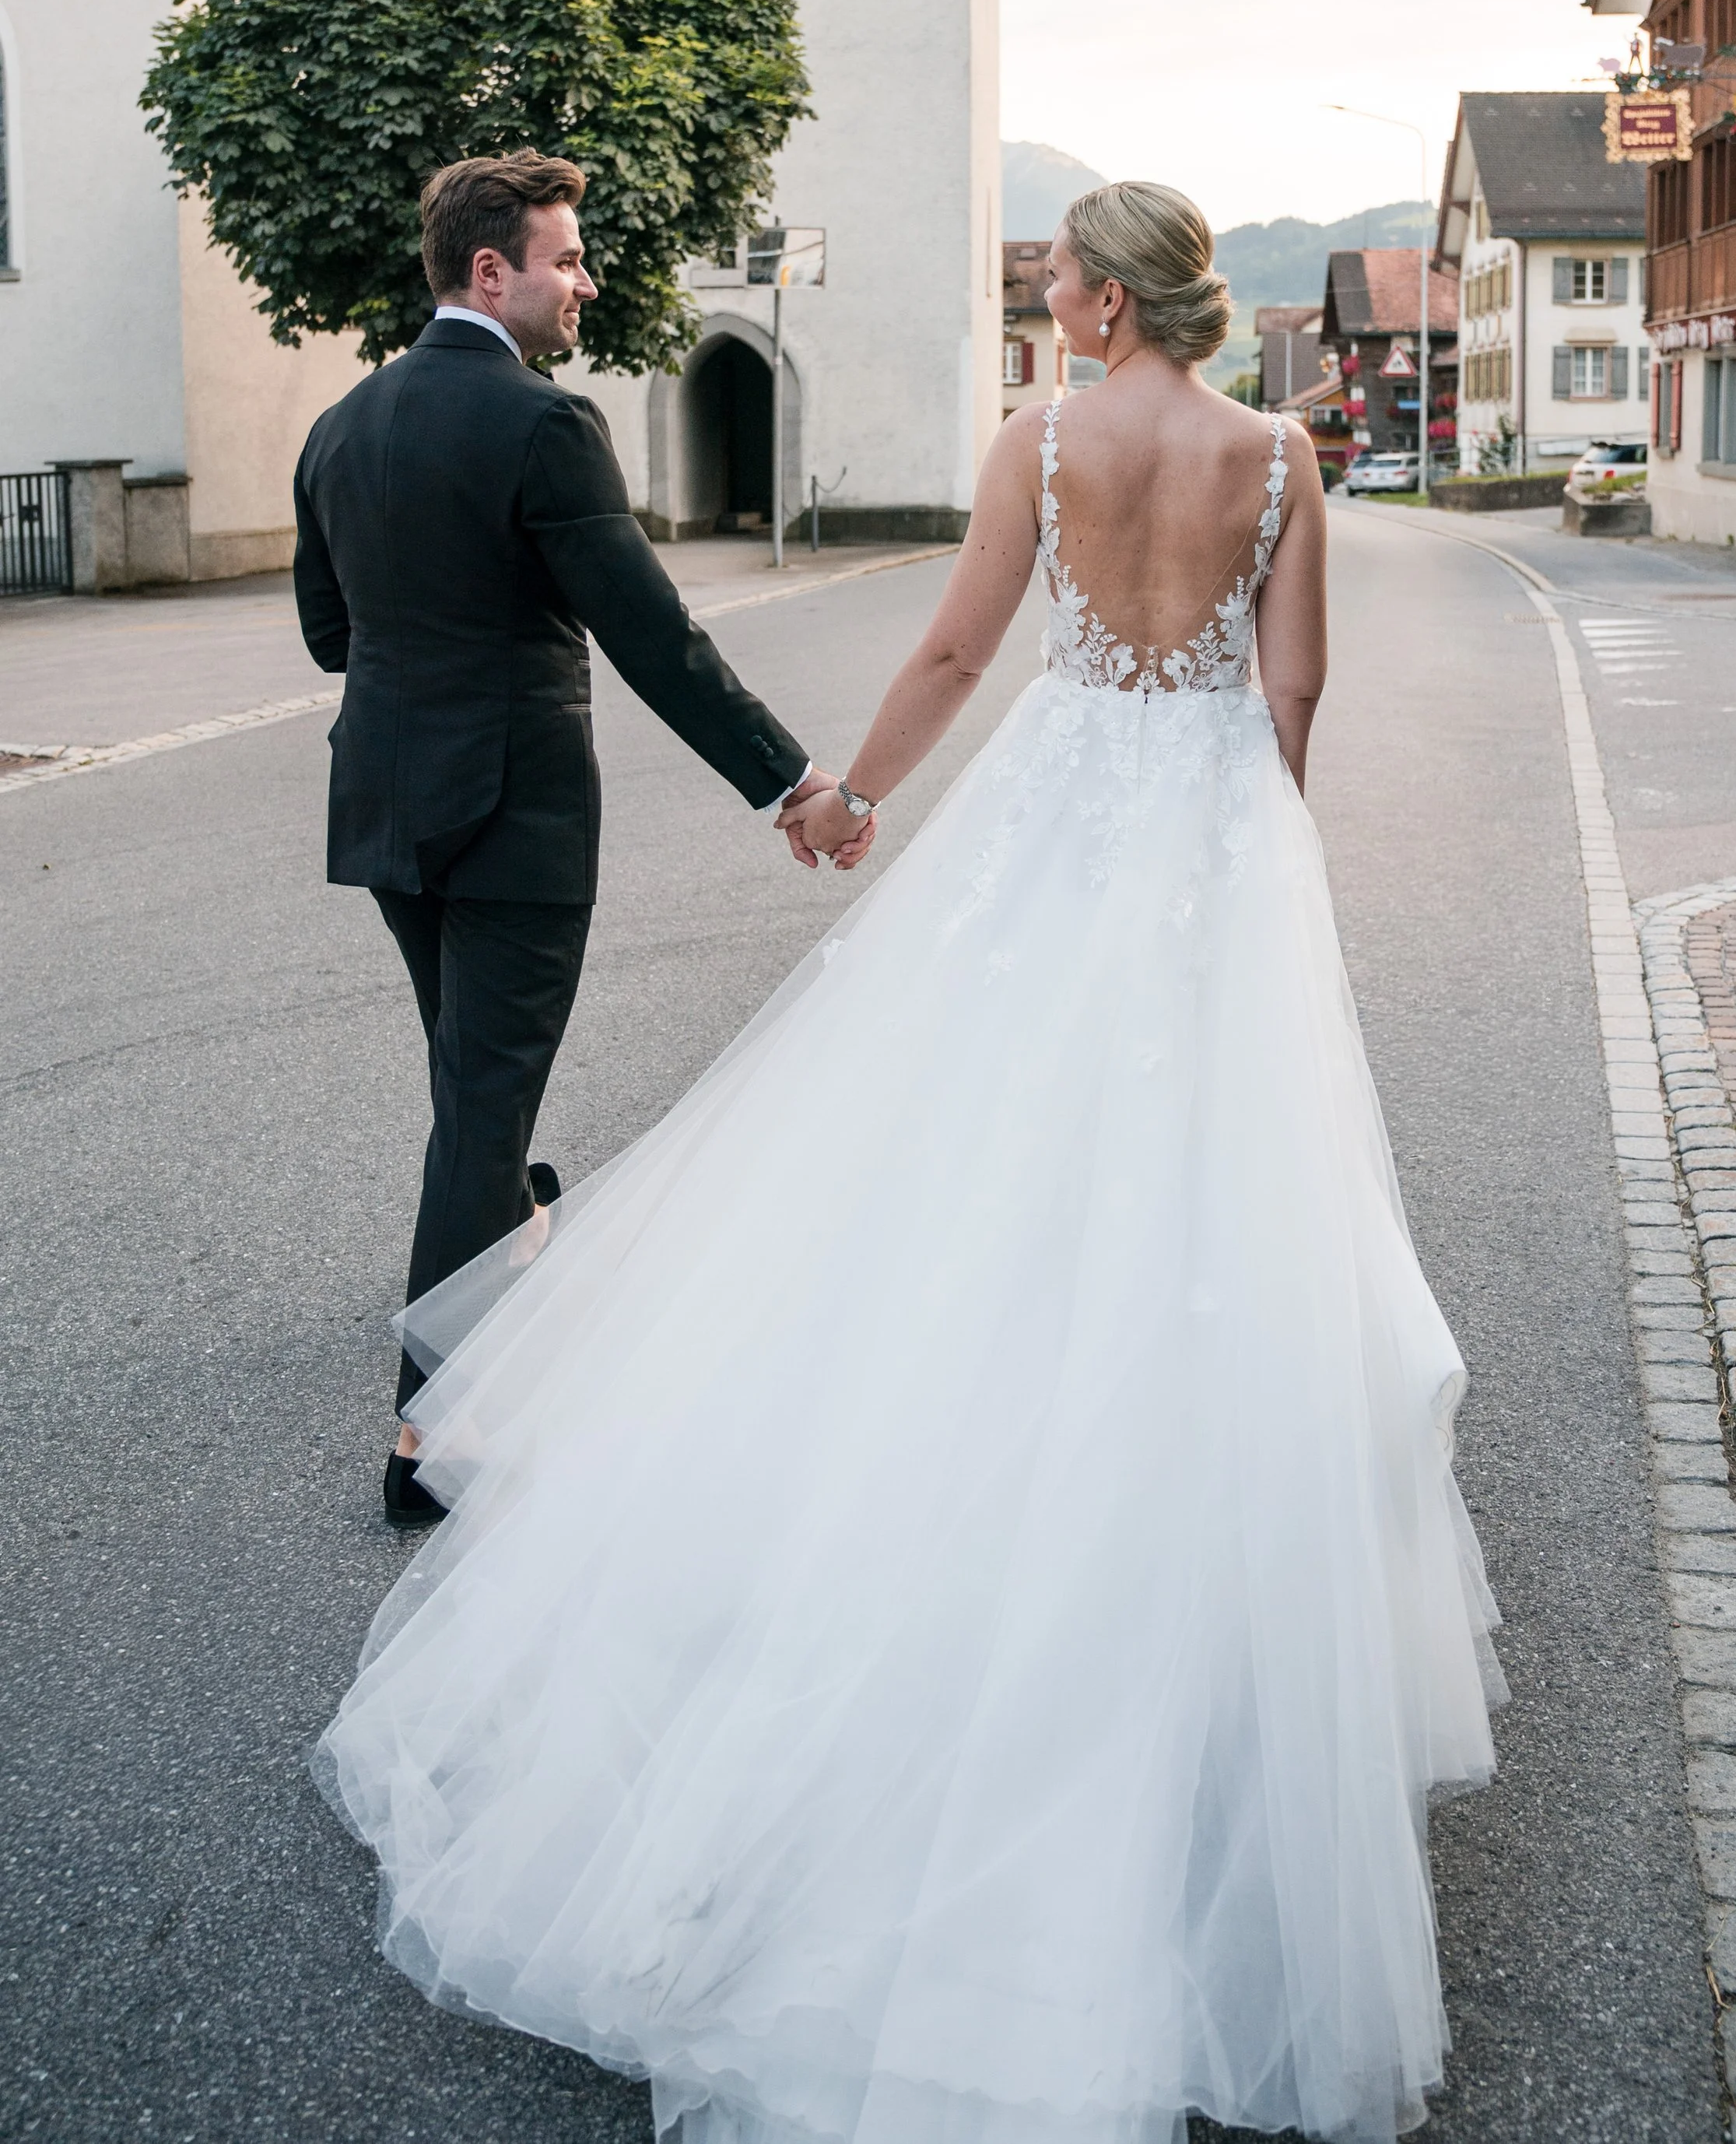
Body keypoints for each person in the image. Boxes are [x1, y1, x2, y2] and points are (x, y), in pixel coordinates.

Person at [314, 180, 1503, 2144]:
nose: (1043, 300)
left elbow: (961, 650)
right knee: (1203, 1198)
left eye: (1056, 280)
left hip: (1048, 825)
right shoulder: (1282, 452)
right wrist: (1251, 853)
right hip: (1204, 830)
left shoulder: (1035, 440)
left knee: (952, 1173)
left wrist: (851, 787)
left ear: (1112, 308)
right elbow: (1292, 696)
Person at [293, 150, 849, 1525]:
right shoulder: (543, 425)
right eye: (570, 258)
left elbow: (328, 636)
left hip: (383, 797)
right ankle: (426, 1435)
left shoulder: (340, 427)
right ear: (496, 272)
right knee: (480, 1105)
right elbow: (651, 635)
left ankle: (512, 1216)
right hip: (514, 813)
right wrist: (790, 783)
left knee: (470, 1077)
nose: (587, 282)